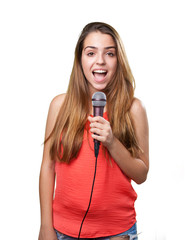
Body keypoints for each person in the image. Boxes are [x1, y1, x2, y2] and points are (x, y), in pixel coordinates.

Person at [38, 22, 149, 240]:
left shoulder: (133, 108)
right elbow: (47, 168)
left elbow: (141, 174)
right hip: (62, 231)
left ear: (118, 60)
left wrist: (112, 142)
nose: (100, 60)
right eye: (91, 53)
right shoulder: (59, 106)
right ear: (80, 59)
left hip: (116, 233)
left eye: (110, 53)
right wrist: (45, 227)